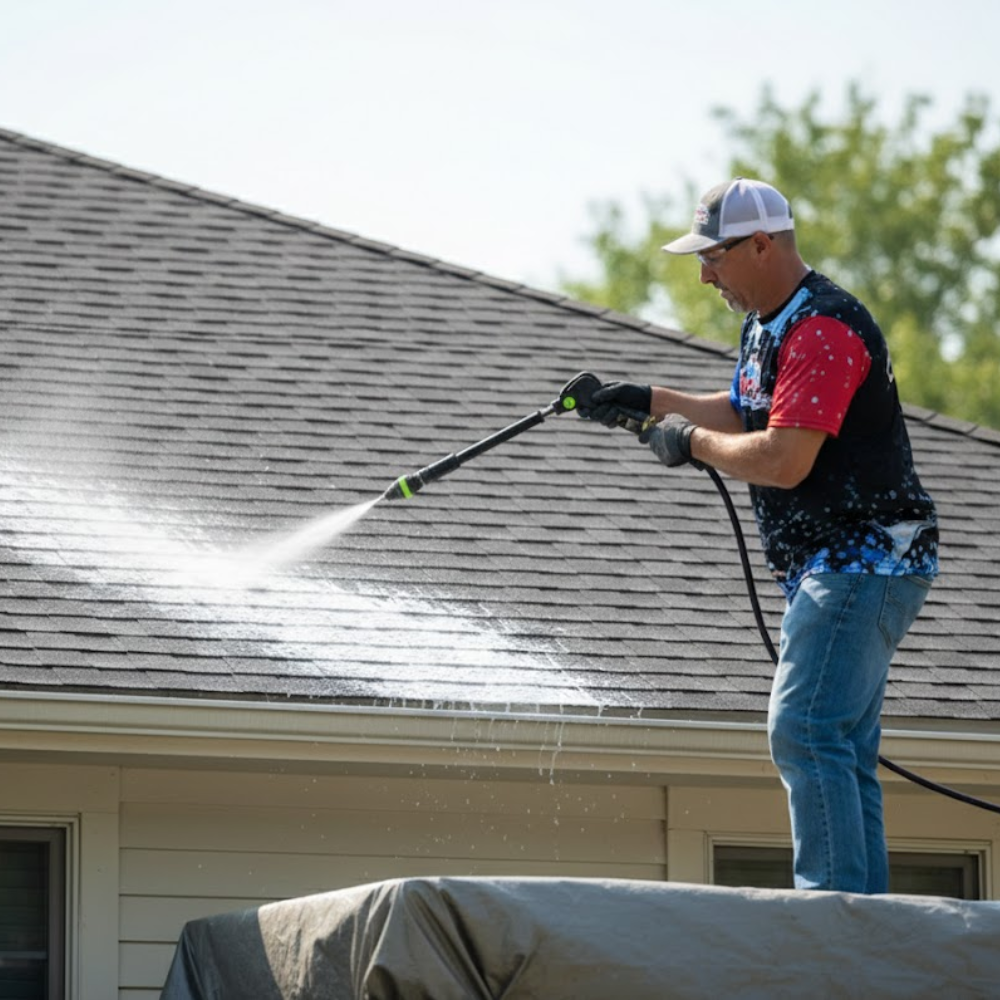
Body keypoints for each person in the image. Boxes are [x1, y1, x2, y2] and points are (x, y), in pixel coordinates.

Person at [580, 177, 938, 894]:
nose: (705, 274)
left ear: (762, 245)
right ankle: (860, 922)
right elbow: (746, 413)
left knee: (804, 730)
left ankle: (833, 925)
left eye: (714, 257)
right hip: (845, 565)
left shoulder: (825, 328)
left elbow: (782, 457)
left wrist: (688, 443)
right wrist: (643, 400)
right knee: (838, 746)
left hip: (862, 560)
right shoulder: (770, 324)